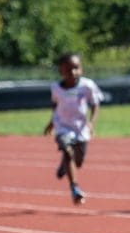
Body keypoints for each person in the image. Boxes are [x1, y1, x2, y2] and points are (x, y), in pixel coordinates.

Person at [43, 52, 101, 205]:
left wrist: (91, 122)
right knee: (67, 151)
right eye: (69, 69)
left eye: (76, 68)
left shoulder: (87, 86)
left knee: (78, 162)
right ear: (61, 71)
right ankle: (74, 188)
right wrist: (51, 123)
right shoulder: (55, 88)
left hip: (81, 129)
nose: (73, 72)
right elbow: (55, 105)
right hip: (62, 127)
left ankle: (64, 165)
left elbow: (95, 104)